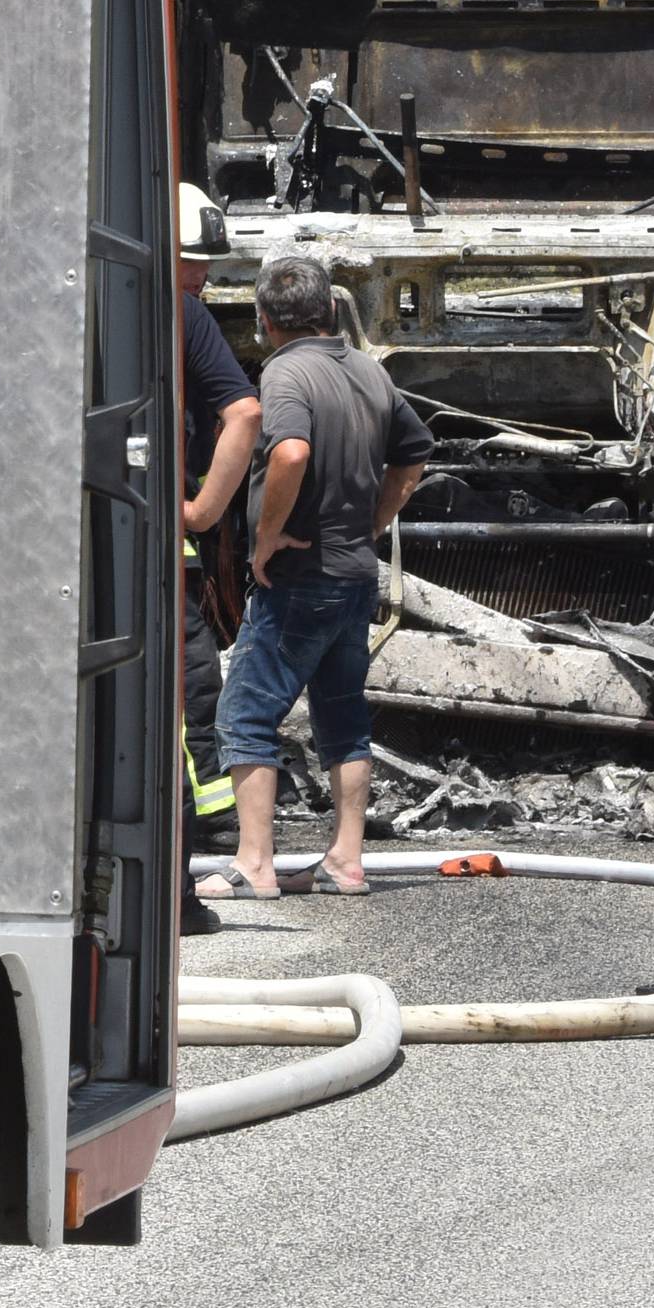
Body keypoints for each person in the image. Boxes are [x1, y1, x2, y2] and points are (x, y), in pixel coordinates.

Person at [204, 253, 432, 900]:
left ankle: (254, 863)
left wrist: (269, 534)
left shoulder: (284, 374)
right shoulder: (368, 370)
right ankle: (345, 861)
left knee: (245, 714)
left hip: (299, 576)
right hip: (355, 576)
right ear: (331, 310)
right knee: (344, 719)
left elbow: (292, 451)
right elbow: (413, 457)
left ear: (264, 322)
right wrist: (373, 524)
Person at [177, 183, 261, 936]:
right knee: (184, 704)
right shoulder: (180, 313)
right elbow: (246, 413)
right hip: (164, 568)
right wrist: (202, 513)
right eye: (193, 261)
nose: (204, 277)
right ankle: (177, 887)